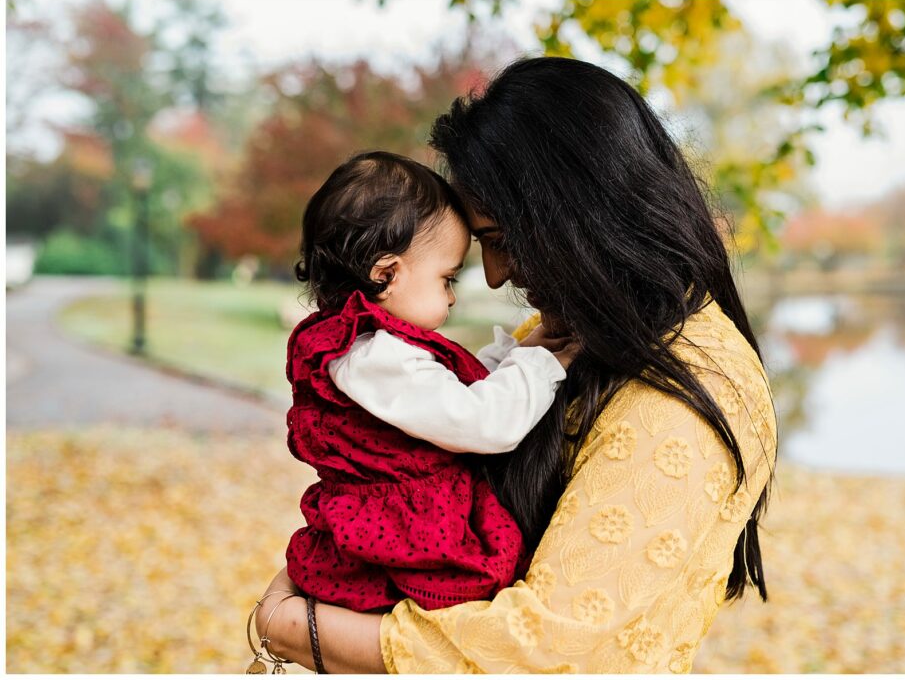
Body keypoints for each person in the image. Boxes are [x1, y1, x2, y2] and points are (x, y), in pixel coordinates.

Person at [254, 56, 778, 674]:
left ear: (582, 215)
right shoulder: (569, 333)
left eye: (500, 240)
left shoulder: (684, 395)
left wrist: (298, 630)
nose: (497, 275)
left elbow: (544, 648)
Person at [282, 150, 580, 616]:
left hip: (409, 522)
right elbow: (482, 424)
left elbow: (448, 396)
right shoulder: (368, 357)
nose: (453, 296)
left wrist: (523, 352)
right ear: (387, 274)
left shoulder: (374, 347)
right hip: (406, 537)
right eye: (447, 278)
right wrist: (543, 365)